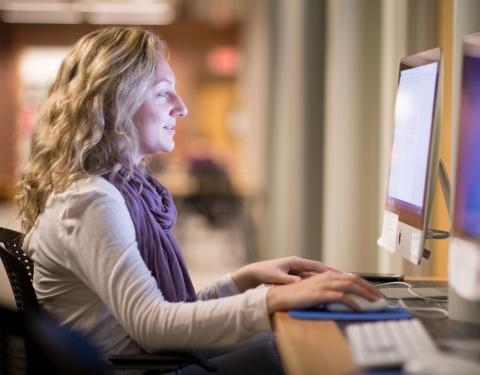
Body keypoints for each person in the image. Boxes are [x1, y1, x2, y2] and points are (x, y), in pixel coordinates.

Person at [17, 27, 381, 374]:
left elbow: (164, 313)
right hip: (138, 368)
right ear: (115, 103)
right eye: (163, 92)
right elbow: (153, 325)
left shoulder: (108, 190)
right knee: (302, 354)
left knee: (289, 342)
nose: (182, 107)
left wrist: (242, 280)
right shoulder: (91, 199)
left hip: (142, 361)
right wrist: (269, 301)